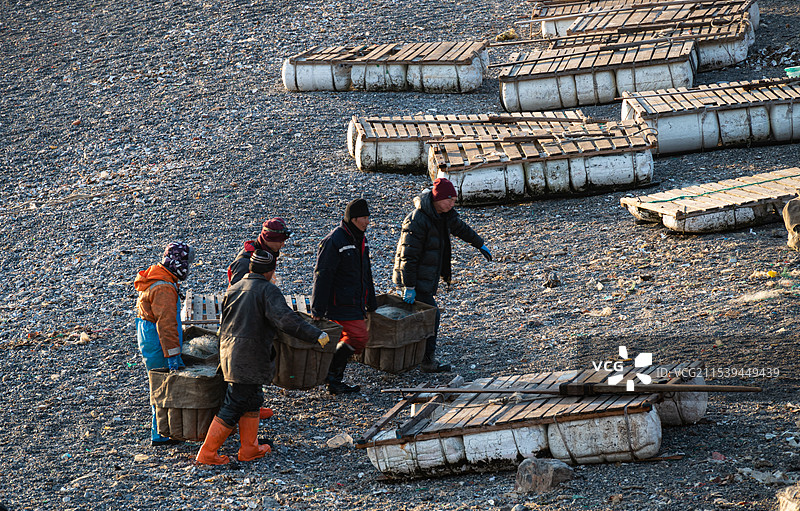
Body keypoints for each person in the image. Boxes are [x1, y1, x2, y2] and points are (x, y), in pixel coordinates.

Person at [196, 250, 330, 465]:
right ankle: (207, 452)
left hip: (230, 353)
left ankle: (249, 448)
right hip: (249, 357)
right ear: (269, 271)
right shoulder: (268, 290)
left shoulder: (235, 288)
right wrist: (316, 335)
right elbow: (286, 319)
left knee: (253, 398)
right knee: (235, 402)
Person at [392, 178, 492, 373]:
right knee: (432, 316)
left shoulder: (444, 215)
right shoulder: (417, 219)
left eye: (454, 200)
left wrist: (479, 244)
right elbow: (407, 256)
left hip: (426, 276)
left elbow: (461, 228)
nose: (453, 204)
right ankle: (426, 362)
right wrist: (409, 286)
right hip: (412, 278)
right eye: (450, 200)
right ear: (438, 198)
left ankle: (417, 357)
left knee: (423, 316)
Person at [311, 198, 378, 395]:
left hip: (355, 302)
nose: (367, 222)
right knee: (359, 337)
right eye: (364, 218)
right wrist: (317, 309)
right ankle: (331, 376)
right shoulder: (334, 241)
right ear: (353, 219)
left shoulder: (361, 240)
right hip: (339, 303)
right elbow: (322, 275)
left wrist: (371, 301)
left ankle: (333, 379)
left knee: (347, 338)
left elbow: (367, 273)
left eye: (368, 217)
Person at [134, 241, 195, 446]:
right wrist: (173, 356)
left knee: (158, 384)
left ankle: (162, 430)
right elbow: (167, 326)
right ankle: (161, 433)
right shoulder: (164, 288)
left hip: (149, 338)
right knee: (163, 386)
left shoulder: (158, 276)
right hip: (157, 342)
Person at [227, 217, 292, 286]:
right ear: (268, 239)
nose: (283, 245)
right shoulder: (245, 262)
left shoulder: (268, 253)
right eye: (280, 241)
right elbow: (235, 290)